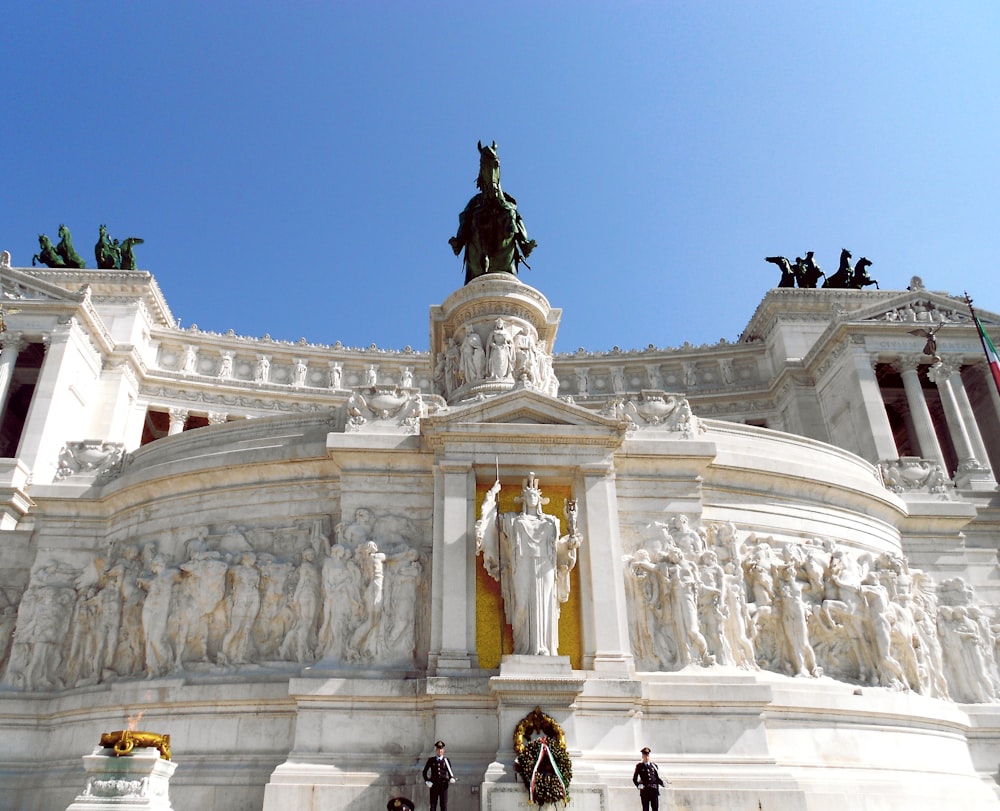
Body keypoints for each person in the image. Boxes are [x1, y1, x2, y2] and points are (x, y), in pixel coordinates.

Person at [422, 740, 456, 811]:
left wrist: (451, 778)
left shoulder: (446, 760)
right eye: (438, 749)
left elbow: (450, 772)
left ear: (443, 750)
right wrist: (427, 781)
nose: (440, 751)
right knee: (433, 805)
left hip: (443, 786)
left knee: (443, 805)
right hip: (434, 785)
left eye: (441, 749)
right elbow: (424, 772)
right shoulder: (431, 760)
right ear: (436, 750)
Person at [632, 747, 665, 811]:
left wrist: (663, 783)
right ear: (642, 756)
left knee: (655, 808)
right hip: (645, 791)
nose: (646, 757)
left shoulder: (654, 766)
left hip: (654, 790)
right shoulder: (639, 766)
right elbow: (634, 779)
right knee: (645, 809)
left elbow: (656, 778)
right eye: (645, 755)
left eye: (647, 755)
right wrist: (638, 785)